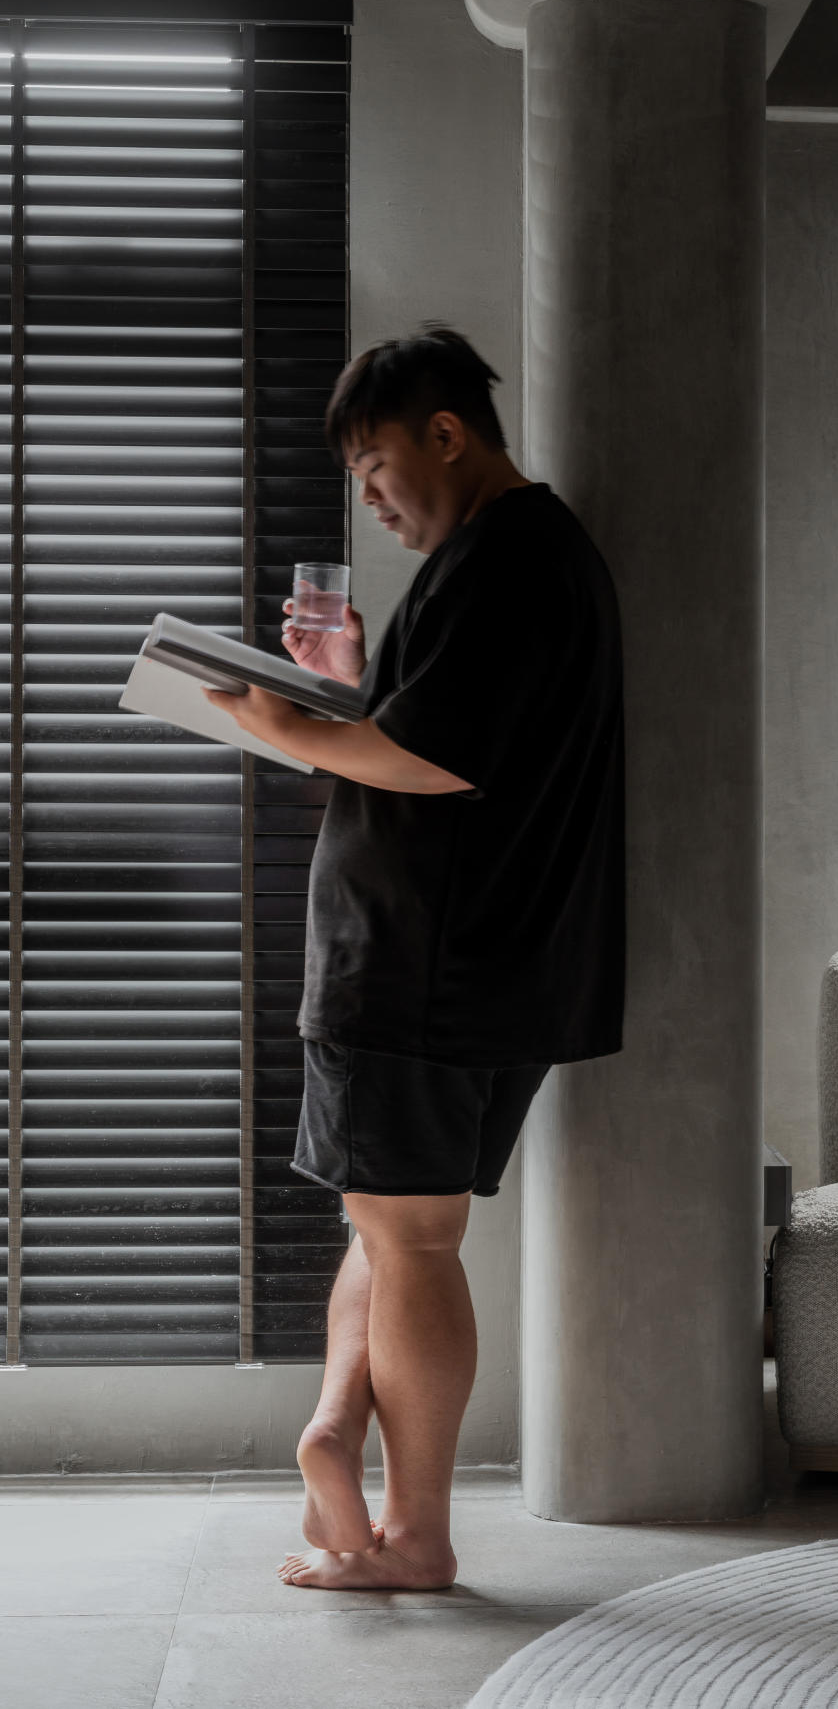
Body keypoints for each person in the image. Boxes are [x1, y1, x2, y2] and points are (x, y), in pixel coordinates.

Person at [204, 325, 625, 1591]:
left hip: (417, 966)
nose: (372, 498)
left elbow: (435, 762)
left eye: (379, 464)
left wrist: (283, 723)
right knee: (387, 1225)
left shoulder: (505, 558)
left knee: (415, 1239)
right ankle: (336, 1429)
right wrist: (346, 689)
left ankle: (421, 1536)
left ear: (448, 433)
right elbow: (434, 734)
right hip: (490, 964)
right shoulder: (521, 558)